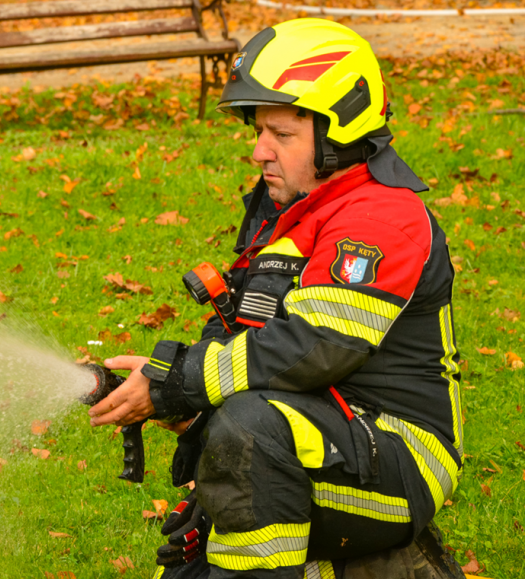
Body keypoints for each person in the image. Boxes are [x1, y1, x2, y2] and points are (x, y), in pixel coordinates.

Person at [88, 18, 464, 579]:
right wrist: (190, 424)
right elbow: (246, 337)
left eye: (282, 135)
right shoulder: (290, 211)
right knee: (207, 535)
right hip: (318, 429)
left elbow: (311, 348)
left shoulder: (383, 217)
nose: (261, 152)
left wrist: (180, 379)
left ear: (339, 132)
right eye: (259, 131)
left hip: (401, 454)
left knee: (248, 436)